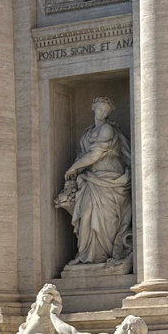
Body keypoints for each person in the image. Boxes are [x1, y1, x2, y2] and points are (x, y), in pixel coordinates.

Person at [59, 97, 133, 267]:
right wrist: (78, 169)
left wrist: (74, 167)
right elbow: (85, 154)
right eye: (99, 109)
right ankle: (86, 253)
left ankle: (104, 254)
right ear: (93, 108)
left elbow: (95, 155)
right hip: (91, 179)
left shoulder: (107, 129)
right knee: (86, 215)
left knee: (107, 220)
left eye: (105, 111)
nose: (102, 113)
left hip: (110, 179)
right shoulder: (87, 132)